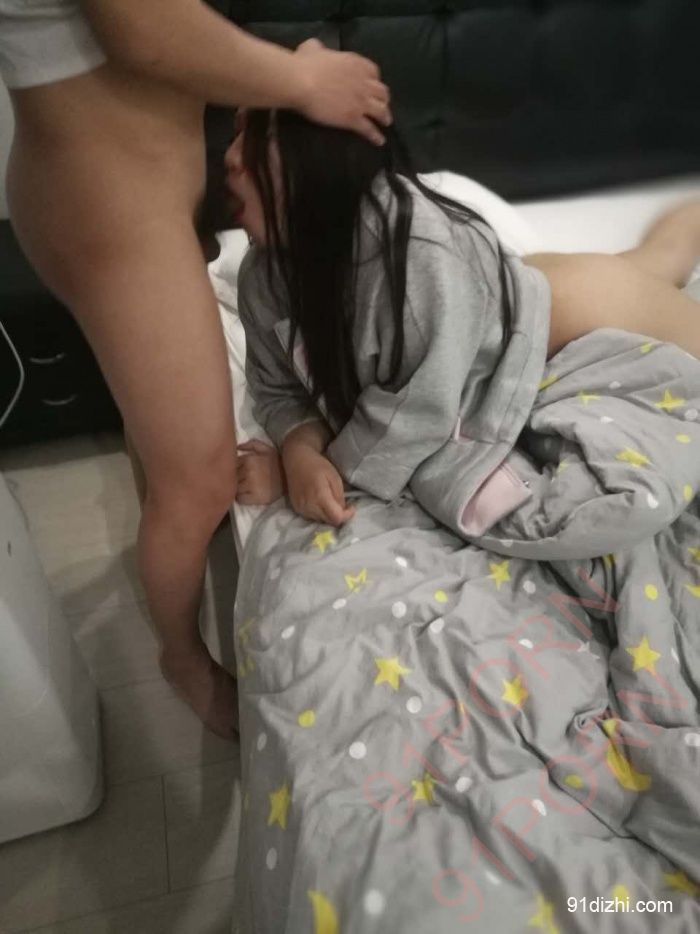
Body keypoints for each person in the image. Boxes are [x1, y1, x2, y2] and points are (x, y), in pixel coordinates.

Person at [0, 1, 391, 739]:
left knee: (162, 446)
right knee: (201, 481)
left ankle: (167, 526)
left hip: (125, 186)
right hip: (110, 198)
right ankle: (181, 660)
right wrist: (302, 81)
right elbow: (142, 28)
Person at [225, 109, 700, 528]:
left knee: (662, 269)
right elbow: (280, 390)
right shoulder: (262, 282)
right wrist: (297, 446)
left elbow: (419, 413)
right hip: (484, 301)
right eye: (236, 132)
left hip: (567, 313)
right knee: (654, 262)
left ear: (319, 162)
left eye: (256, 141)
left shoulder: (413, 253)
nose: (229, 158)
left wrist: (305, 471)